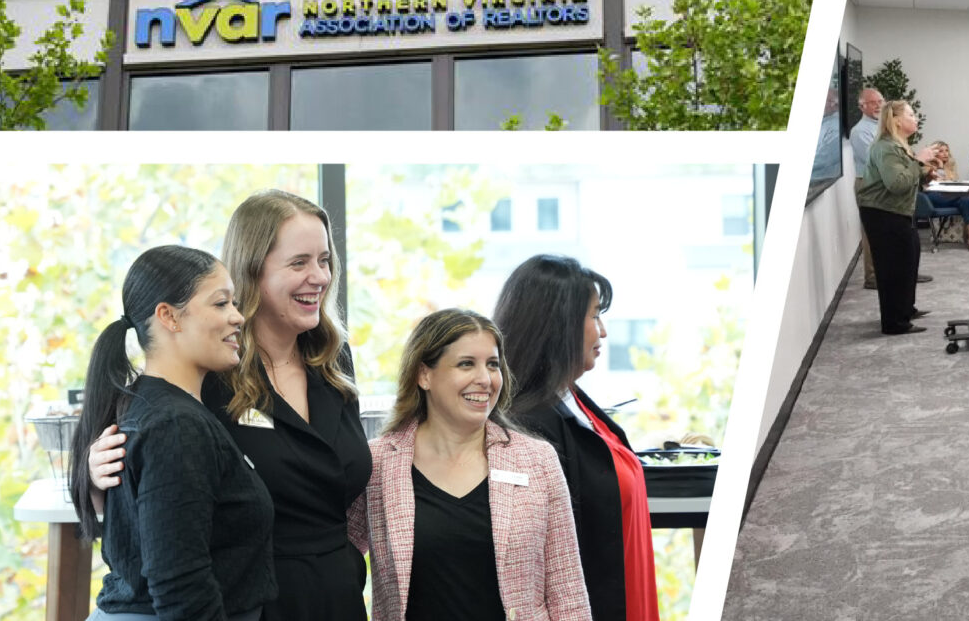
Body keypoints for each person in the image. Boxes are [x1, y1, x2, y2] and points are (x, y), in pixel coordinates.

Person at [87, 190, 371, 621]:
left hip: (336, 591)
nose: (320, 277)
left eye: (325, 260)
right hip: (246, 598)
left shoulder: (333, 360)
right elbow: (156, 502)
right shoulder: (206, 372)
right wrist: (94, 475)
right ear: (251, 271)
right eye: (299, 263)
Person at [70, 245, 275, 621]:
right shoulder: (176, 426)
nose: (238, 317)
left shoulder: (154, 408)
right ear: (168, 316)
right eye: (221, 304)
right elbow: (180, 585)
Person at [351, 308, 590, 621]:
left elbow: (567, 593)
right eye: (466, 364)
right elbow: (337, 556)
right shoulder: (379, 463)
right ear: (424, 375)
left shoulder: (537, 460)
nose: (484, 379)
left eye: (492, 365)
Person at [498, 256, 660, 621]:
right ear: (560, 325)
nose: (602, 332)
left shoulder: (572, 399)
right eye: (594, 316)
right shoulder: (527, 427)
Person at [857, 100, 935, 335]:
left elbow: (906, 175)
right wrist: (919, 161)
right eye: (911, 114)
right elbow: (897, 184)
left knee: (908, 259)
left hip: (896, 211)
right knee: (893, 267)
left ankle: (905, 309)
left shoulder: (899, 144)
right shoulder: (887, 147)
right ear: (897, 121)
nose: (915, 118)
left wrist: (926, 171)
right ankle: (894, 323)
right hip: (883, 213)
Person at [926, 141, 969, 251]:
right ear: (933, 153)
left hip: (951, 195)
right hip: (934, 196)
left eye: (947, 151)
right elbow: (939, 182)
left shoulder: (951, 164)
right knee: (966, 197)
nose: (945, 153)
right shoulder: (926, 165)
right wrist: (940, 164)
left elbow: (953, 181)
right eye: (941, 151)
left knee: (968, 198)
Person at [851, 88, 885, 290]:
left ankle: (894, 272)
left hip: (882, 182)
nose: (878, 105)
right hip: (869, 183)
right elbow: (876, 161)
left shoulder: (881, 127)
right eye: (873, 102)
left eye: (880, 101)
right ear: (862, 106)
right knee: (871, 231)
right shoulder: (860, 131)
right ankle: (872, 277)